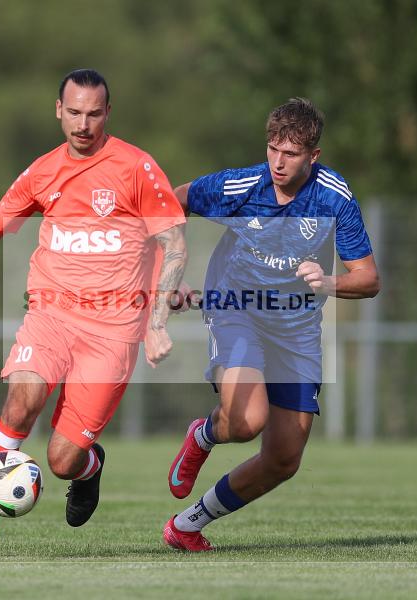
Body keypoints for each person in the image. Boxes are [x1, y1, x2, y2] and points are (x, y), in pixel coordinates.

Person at [0, 69, 187, 558]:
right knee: (19, 406)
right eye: (74, 112)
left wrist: (156, 324)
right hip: (50, 315)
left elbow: (174, 245)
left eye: (94, 113)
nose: (83, 124)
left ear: (107, 113)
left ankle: (88, 468)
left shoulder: (136, 168)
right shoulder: (42, 171)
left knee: (62, 459)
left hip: (114, 330)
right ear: (58, 110)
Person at [162, 97, 379, 551]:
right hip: (236, 306)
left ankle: (186, 524)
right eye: (273, 149)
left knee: (283, 459)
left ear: (313, 157)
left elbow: (369, 279)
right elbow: (170, 203)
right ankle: (204, 434)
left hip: (296, 327)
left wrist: (329, 281)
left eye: (292, 154)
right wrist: (169, 275)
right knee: (246, 421)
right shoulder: (240, 185)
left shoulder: (333, 197)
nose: (279, 163)